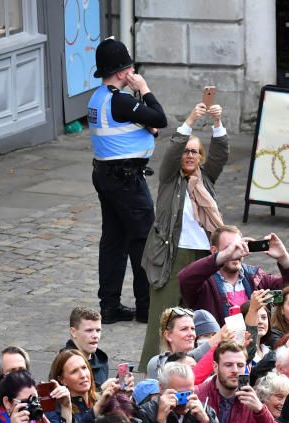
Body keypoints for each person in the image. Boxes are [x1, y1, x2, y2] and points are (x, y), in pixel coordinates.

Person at [139, 100, 230, 370]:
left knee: (199, 318)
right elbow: (171, 150)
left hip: (204, 255)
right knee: (163, 318)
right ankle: (151, 370)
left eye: (195, 152)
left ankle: (199, 368)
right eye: (186, 152)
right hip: (171, 255)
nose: (189, 156)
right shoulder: (170, 178)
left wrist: (217, 123)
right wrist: (190, 119)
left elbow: (220, 155)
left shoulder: (206, 178)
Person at [87, 38, 168, 325]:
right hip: (126, 180)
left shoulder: (98, 98)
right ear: (123, 73)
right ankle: (146, 307)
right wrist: (144, 89)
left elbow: (145, 125)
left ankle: (108, 306)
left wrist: (148, 128)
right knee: (143, 241)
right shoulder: (121, 100)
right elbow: (160, 117)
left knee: (113, 241)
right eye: (130, 67)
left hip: (105, 176)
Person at [178, 226, 289, 323]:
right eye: (230, 248)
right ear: (214, 251)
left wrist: (284, 258)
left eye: (239, 247)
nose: (236, 253)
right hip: (220, 351)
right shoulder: (205, 284)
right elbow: (185, 278)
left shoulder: (256, 279)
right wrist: (224, 255)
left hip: (255, 347)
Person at [65, 307, 110, 386]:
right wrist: (103, 390)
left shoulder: (102, 361)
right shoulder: (65, 363)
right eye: (89, 330)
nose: (95, 336)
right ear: (73, 332)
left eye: (98, 330)